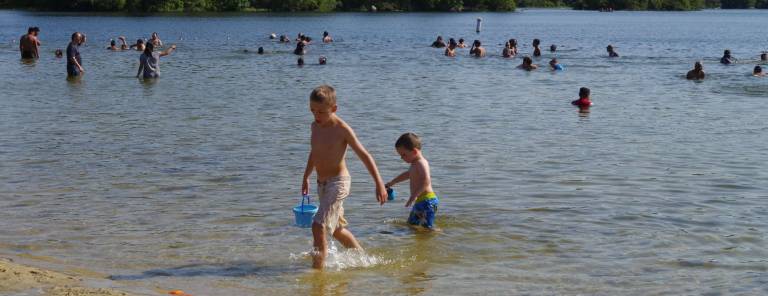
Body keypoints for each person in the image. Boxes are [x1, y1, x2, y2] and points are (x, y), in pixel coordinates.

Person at [301, 85, 387, 269]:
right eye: (312, 110)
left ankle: (318, 274)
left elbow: (365, 155)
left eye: (321, 112)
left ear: (334, 109)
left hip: (339, 183)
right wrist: (306, 175)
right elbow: (314, 152)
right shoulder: (315, 126)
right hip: (322, 183)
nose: (316, 115)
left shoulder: (342, 129)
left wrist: (379, 183)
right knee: (337, 230)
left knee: (318, 225)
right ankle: (365, 261)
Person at [385, 133, 439, 230]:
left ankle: (440, 235)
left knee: (427, 228)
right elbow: (407, 175)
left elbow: (426, 181)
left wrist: (413, 196)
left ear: (414, 151)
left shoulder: (421, 163)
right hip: (421, 201)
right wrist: (392, 182)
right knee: (411, 225)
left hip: (427, 201)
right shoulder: (414, 164)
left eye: (404, 154)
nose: (402, 158)